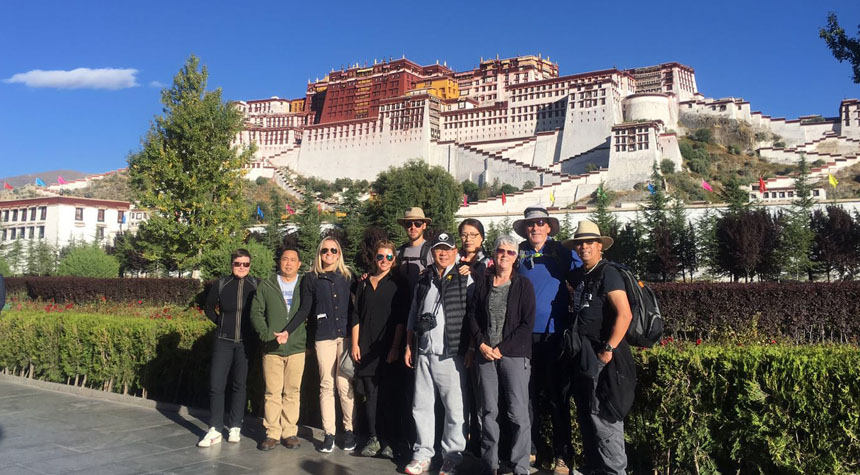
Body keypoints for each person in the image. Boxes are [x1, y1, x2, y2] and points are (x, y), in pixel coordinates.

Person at [512, 206, 582, 474]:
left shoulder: (562, 251)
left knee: (557, 396)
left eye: (540, 223)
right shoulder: (518, 251)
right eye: (531, 224)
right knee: (527, 396)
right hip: (524, 335)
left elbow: (584, 272)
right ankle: (532, 449)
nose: (535, 228)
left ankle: (563, 455)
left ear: (549, 227)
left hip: (554, 334)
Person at [563, 220, 636, 475]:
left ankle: (615, 471)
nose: (583, 247)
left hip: (605, 357)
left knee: (604, 416)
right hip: (585, 355)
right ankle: (597, 468)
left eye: (588, 243)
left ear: (599, 247)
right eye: (579, 243)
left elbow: (624, 314)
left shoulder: (608, 273)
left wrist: (608, 348)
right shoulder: (584, 274)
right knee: (587, 414)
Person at [276, 237, 355, 454]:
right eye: (324, 250)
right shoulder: (311, 279)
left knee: (344, 384)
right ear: (319, 254)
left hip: (345, 337)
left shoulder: (348, 276)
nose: (329, 254)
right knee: (326, 385)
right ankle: (329, 433)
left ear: (339, 254)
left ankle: (349, 430)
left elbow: (359, 306)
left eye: (333, 250)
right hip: (324, 337)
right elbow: (304, 310)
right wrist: (287, 330)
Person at [404, 232, 474, 475]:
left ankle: (452, 456)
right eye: (438, 249)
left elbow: (473, 316)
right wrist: (408, 345)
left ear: (455, 251)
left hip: (451, 352)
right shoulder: (424, 279)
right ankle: (423, 454)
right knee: (421, 405)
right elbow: (414, 313)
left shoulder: (466, 278)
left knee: (454, 408)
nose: (442, 253)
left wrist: (471, 348)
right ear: (432, 253)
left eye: (447, 249)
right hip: (424, 351)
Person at [468, 235, 535, 475]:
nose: (504, 255)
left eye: (510, 252)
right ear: (494, 254)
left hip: (514, 356)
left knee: (517, 413)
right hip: (485, 355)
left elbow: (527, 324)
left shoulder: (523, 285)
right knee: (488, 412)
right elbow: (473, 317)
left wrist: (502, 348)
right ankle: (490, 464)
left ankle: (520, 466)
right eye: (500, 251)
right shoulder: (482, 284)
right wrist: (482, 344)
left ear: (516, 257)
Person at [350, 240, 409, 458]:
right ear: (374, 259)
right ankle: (373, 438)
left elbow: (402, 319)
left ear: (394, 259)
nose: (384, 261)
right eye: (380, 257)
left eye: (389, 257)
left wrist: (395, 347)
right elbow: (356, 314)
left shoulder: (399, 283)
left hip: (388, 347)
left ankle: (389, 440)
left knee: (389, 396)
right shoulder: (364, 283)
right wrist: (355, 344)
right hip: (366, 346)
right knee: (371, 395)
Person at [199, 249, 259, 447]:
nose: (241, 267)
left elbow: (261, 311)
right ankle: (215, 428)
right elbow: (208, 306)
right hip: (223, 340)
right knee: (216, 385)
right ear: (231, 264)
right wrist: (220, 323)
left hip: (245, 342)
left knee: (239, 385)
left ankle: (235, 426)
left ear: (250, 266)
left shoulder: (256, 284)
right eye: (238, 264)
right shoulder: (222, 284)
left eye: (245, 264)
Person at [250, 244, 307, 451]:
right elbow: (256, 312)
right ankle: (272, 432)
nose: (288, 263)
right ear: (279, 262)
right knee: (272, 392)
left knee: (292, 392)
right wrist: (266, 335)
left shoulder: (304, 284)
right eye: (285, 259)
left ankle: (289, 432)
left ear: (299, 264)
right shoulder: (267, 285)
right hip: (272, 349)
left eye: (293, 260)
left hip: (296, 347)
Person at [456, 218, 489, 457]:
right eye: (465, 234)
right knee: (460, 392)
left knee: (481, 394)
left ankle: (480, 444)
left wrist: (473, 272)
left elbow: (489, 290)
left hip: (478, 335)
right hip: (455, 333)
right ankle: (462, 440)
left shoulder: (487, 263)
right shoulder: (454, 259)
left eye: (473, 234)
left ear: (482, 238)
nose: (468, 239)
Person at [396, 207, 435, 289]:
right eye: (408, 224)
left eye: (417, 224)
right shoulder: (398, 252)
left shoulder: (433, 251)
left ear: (424, 226)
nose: (413, 227)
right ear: (404, 226)